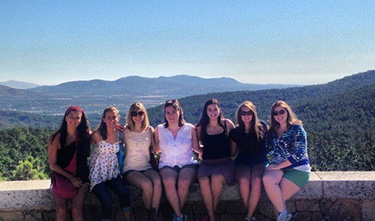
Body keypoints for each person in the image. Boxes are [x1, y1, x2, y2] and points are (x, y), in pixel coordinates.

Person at [262, 101, 311, 221]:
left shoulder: (297, 129)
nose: (279, 115)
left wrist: (278, 167)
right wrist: (271, 164)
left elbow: (299, 154)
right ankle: (284, 215)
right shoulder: (272, 132)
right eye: (275, 113)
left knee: (278, 200)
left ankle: (283, 216)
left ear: (287, 112)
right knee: (267, 179)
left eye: (281, 112)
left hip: (298, 169)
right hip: (280, 167)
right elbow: (270, 151)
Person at [154, 99, 201, 221]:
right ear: (164, 114)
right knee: (168, 182)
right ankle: (179, 216)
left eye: (173, 111)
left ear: (179, 111)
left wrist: (215, 151)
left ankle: (173, 214)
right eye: (167, 112)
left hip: (187, 163)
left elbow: (196, 148)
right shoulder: (159, 130)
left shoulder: (189, 128)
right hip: (167, 163)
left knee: (183, 183)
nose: (171, 115)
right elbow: (156, 149)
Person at [48, 106, 91, 221]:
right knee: (61, 210)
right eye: (71, 116)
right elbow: (52, 164)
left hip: (81, 176)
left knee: (76, 210)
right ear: (66, 118)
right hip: (61, 176)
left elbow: (101, 138)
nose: (74, 120)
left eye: (77, 117)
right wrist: (70, 177)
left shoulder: (85, 136)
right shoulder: (56, 138)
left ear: (81, 120)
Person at [89, 106, 132, 221]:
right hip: (97, 174)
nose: (111, 120)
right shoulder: (97, 135)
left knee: (124, 192)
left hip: (112, 172)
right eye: (108, 117)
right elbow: (84, 146)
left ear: (118, 118)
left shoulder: (119, 133)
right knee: (107, 201)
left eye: (114, 117)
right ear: (103, 119)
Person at [196, 99, 235, 221]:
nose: (213, 112)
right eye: (210, 109)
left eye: (215, 109)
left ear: (219, 110)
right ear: (206, 111)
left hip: (225, 162)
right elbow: (195, 146)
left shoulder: (227, 124)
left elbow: (234, 144)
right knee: (203, 180)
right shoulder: (201, 128)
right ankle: (212, 216)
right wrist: (203, 152)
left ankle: (211, 215)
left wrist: (231, 156)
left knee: (216, 178)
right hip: (207, 163)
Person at [122, 102, 162, 220]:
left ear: (144, 115)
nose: (137, 116)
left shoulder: (149, 130)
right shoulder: (125, 131)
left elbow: (156, 149)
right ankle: (151, 212)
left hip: (146, 166)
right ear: (130, 115)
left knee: (158, 182)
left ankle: (153, 214)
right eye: (134, 113)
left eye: (140, 113)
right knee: (147, 185)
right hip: (130, 168)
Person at [229, 101, 268, 221]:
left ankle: (249, 216)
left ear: (254, 113)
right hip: (243, 161)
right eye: (243, 113)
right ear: (239, 115)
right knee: (244, 181)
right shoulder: (235, 132)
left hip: (260, 160)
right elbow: (233, 153)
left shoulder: (262, 126)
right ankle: (251, 215)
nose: (246, 115)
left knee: (256, 180)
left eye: (249, 112)